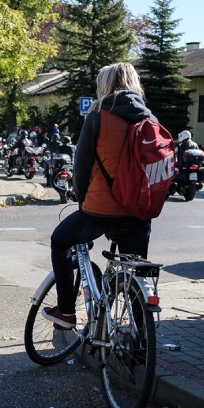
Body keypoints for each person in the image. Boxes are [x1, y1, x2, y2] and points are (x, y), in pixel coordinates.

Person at [43, 62, 156, 329]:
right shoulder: (149, 119)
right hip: (139, 212)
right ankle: (140, 345)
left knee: (59, 241)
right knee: (135, 273)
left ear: (104, 85)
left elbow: (81, 166)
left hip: (100, 211)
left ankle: (67, 312)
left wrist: (82, 200)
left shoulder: (98, 115)